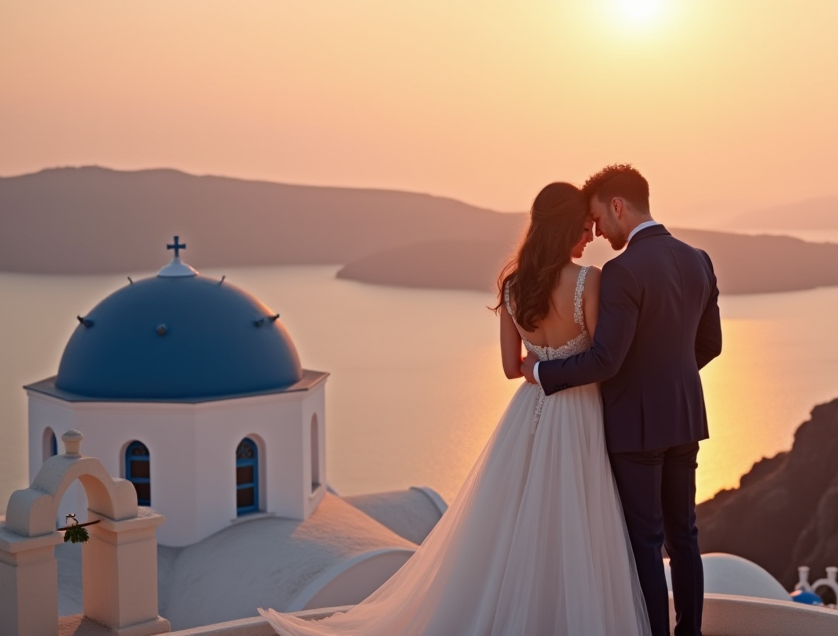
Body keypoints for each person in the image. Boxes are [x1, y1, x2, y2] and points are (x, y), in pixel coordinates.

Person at [260, 181, 651, 636]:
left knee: (519, 523)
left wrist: (540, 365)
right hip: (580, 412)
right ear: (566, 228)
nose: (589, 239)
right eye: (583, 229)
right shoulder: (590, 280)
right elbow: (602, 361)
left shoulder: (513, 287)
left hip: (530, 411)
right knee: (581, 521)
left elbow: (510, 368)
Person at [522, 164, 722, 636]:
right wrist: (670, 380)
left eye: (598, 219)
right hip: (686, 418)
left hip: (635, 425)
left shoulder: (622, 270)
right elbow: (709, 346)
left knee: (646, 542)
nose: (596, 234)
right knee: (685, 536)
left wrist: (542, 370)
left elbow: (606, 361)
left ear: (617, 206)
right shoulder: (699, 259)